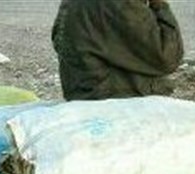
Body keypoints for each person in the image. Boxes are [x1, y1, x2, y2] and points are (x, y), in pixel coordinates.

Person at [51, 0, 184, 101]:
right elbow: (168, 57)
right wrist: (159, 5)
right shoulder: (120, 4)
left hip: (85, 94)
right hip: (118, 100)